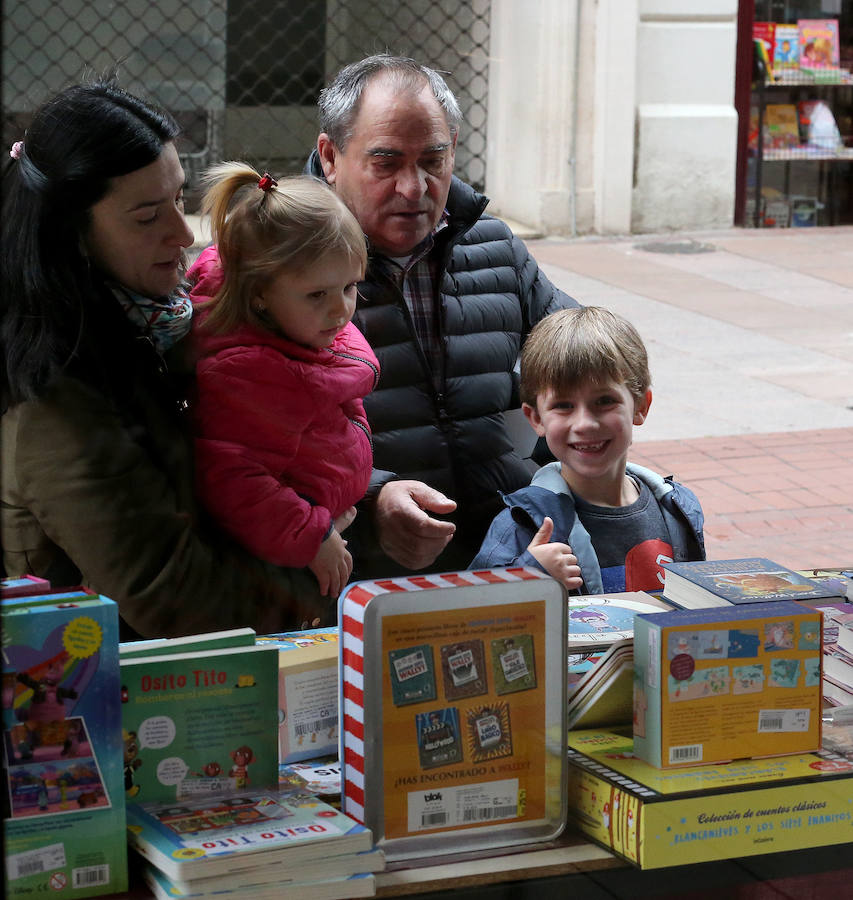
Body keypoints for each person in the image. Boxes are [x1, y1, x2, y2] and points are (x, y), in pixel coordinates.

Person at [1, 78, 328, 638]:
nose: (183, 233)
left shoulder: (157, 322)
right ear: (72, 234)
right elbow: (177, 600)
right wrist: (323, 572)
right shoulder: (55, 396)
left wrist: (368, 497)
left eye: (179, 199)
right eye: (148, 217)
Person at [305, 53, 580, 577]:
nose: (413, 188)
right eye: (386, 163)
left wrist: (546, 477)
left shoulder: (494, 247)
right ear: (331, 156)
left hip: (510, 563)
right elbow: (251, 437)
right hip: (366, 581)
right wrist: (372, 499)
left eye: (432, 160)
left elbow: (583, 361)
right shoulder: (284, 269)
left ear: (453, 148)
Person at [186, 165, 378, 599]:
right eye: (317, 295)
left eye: (349, 287)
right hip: (289, 557)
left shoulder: (300, 330)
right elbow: (230, 476)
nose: (340, 312)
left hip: (327, 527)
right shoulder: (246, 374)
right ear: (258, 293)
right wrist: (310, 534)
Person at [471, 307, 705, 593]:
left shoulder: (678, 510)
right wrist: (528, 576)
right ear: (536, 418)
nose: (584, 423)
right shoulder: (523, 523)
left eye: (604, 401)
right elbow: (475, 611)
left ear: (640, 407)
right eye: (563, 406)